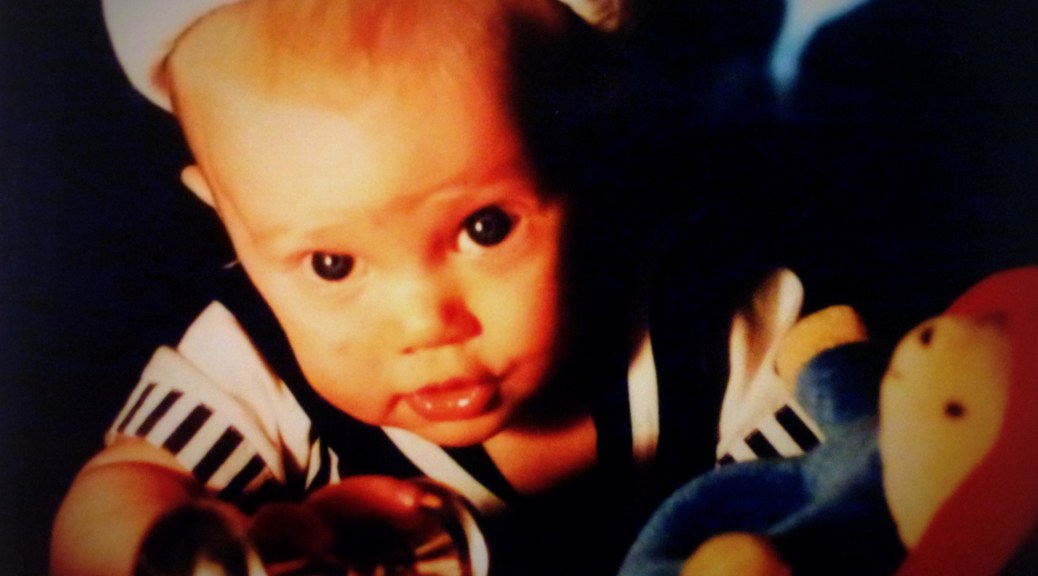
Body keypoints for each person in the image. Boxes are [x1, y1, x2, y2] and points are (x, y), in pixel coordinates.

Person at [51, 1, 822, 574]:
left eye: (485, 228)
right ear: (230, 220)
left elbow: (835, 485)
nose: (424, 323)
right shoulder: (254, 361)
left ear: (587, 144)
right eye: (331, 265)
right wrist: (195, 556)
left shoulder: (708, 319)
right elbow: (119, 490)